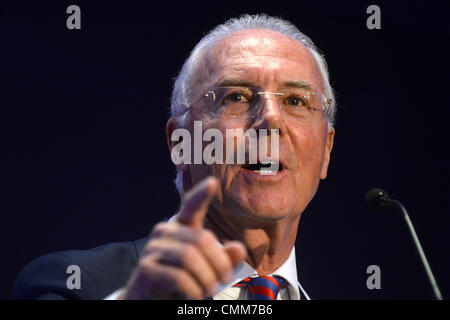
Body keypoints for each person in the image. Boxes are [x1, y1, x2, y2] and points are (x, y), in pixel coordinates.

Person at [12, 14, 335, 300]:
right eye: (236, 97)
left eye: (295, 101)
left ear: (325, 152)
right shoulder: (72, 285)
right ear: (180, 143)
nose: (270, 119)